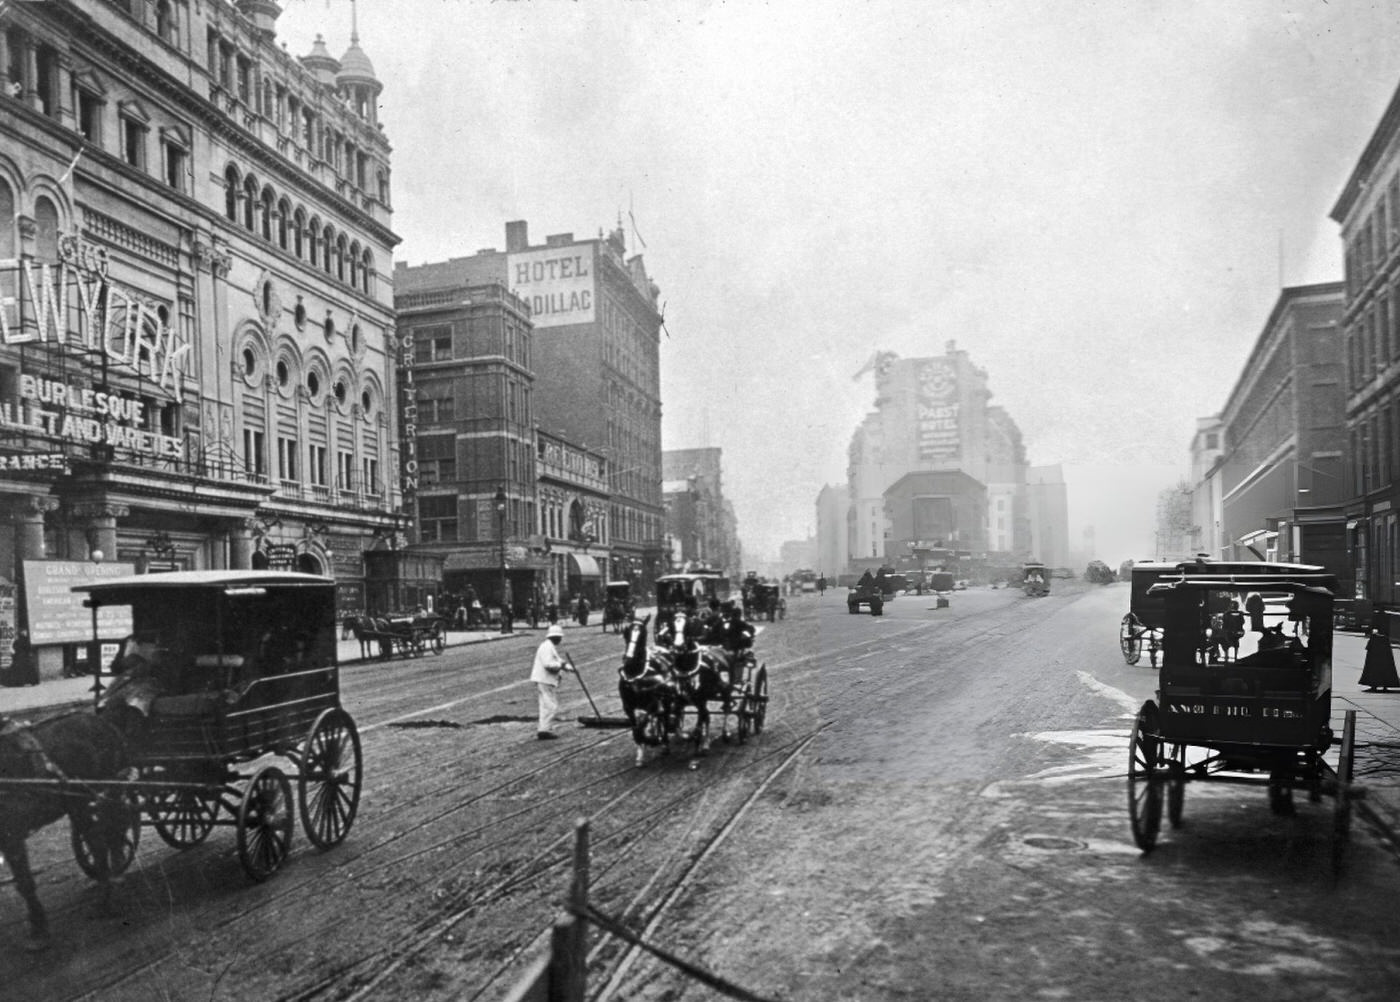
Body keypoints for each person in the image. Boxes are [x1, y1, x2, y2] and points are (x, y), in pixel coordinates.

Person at [530, 624, 574, 738]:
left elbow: (558, 660)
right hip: (545, 680)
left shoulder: (549, 646)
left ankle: (544, 729)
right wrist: (561, 665)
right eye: (559, 637)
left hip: (545, 680)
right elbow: (548, 664)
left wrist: (568, 667)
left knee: (546, 705)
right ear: (555, 637)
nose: (560, 640)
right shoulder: (546, 647)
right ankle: (544, 730)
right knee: (551, 706)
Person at [1361, 616, 1400, 692]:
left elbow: (1373, 629)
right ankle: (1384, 685)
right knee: (1386, 664)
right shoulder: (1387, 618)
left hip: (1377, 642)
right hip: (1383, 643)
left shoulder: (1377, 617)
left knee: (1374, 664)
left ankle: (1375, 685)